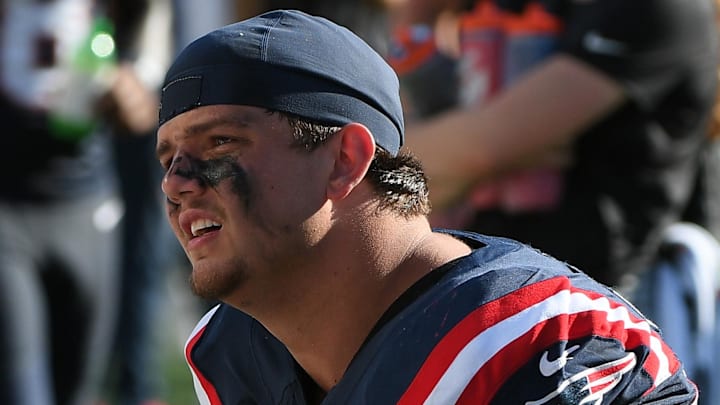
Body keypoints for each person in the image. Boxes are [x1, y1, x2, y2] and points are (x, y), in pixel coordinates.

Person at [156, 9, 699, 404]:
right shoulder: (230, 348)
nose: (177, 183)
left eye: (221, 143)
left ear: (345, 160)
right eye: (168, 158)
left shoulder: (529, 343)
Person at [392, 0, 720, 292]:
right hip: (486, 276)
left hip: (597, 300)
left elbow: (478, 150)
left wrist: (382, 155)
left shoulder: (655, 9)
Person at [0, 0, 123, 404]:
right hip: (8, 208)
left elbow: (144, 98)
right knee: (23, 391)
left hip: (85, 201)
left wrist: (126, 86)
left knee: (79, 389)